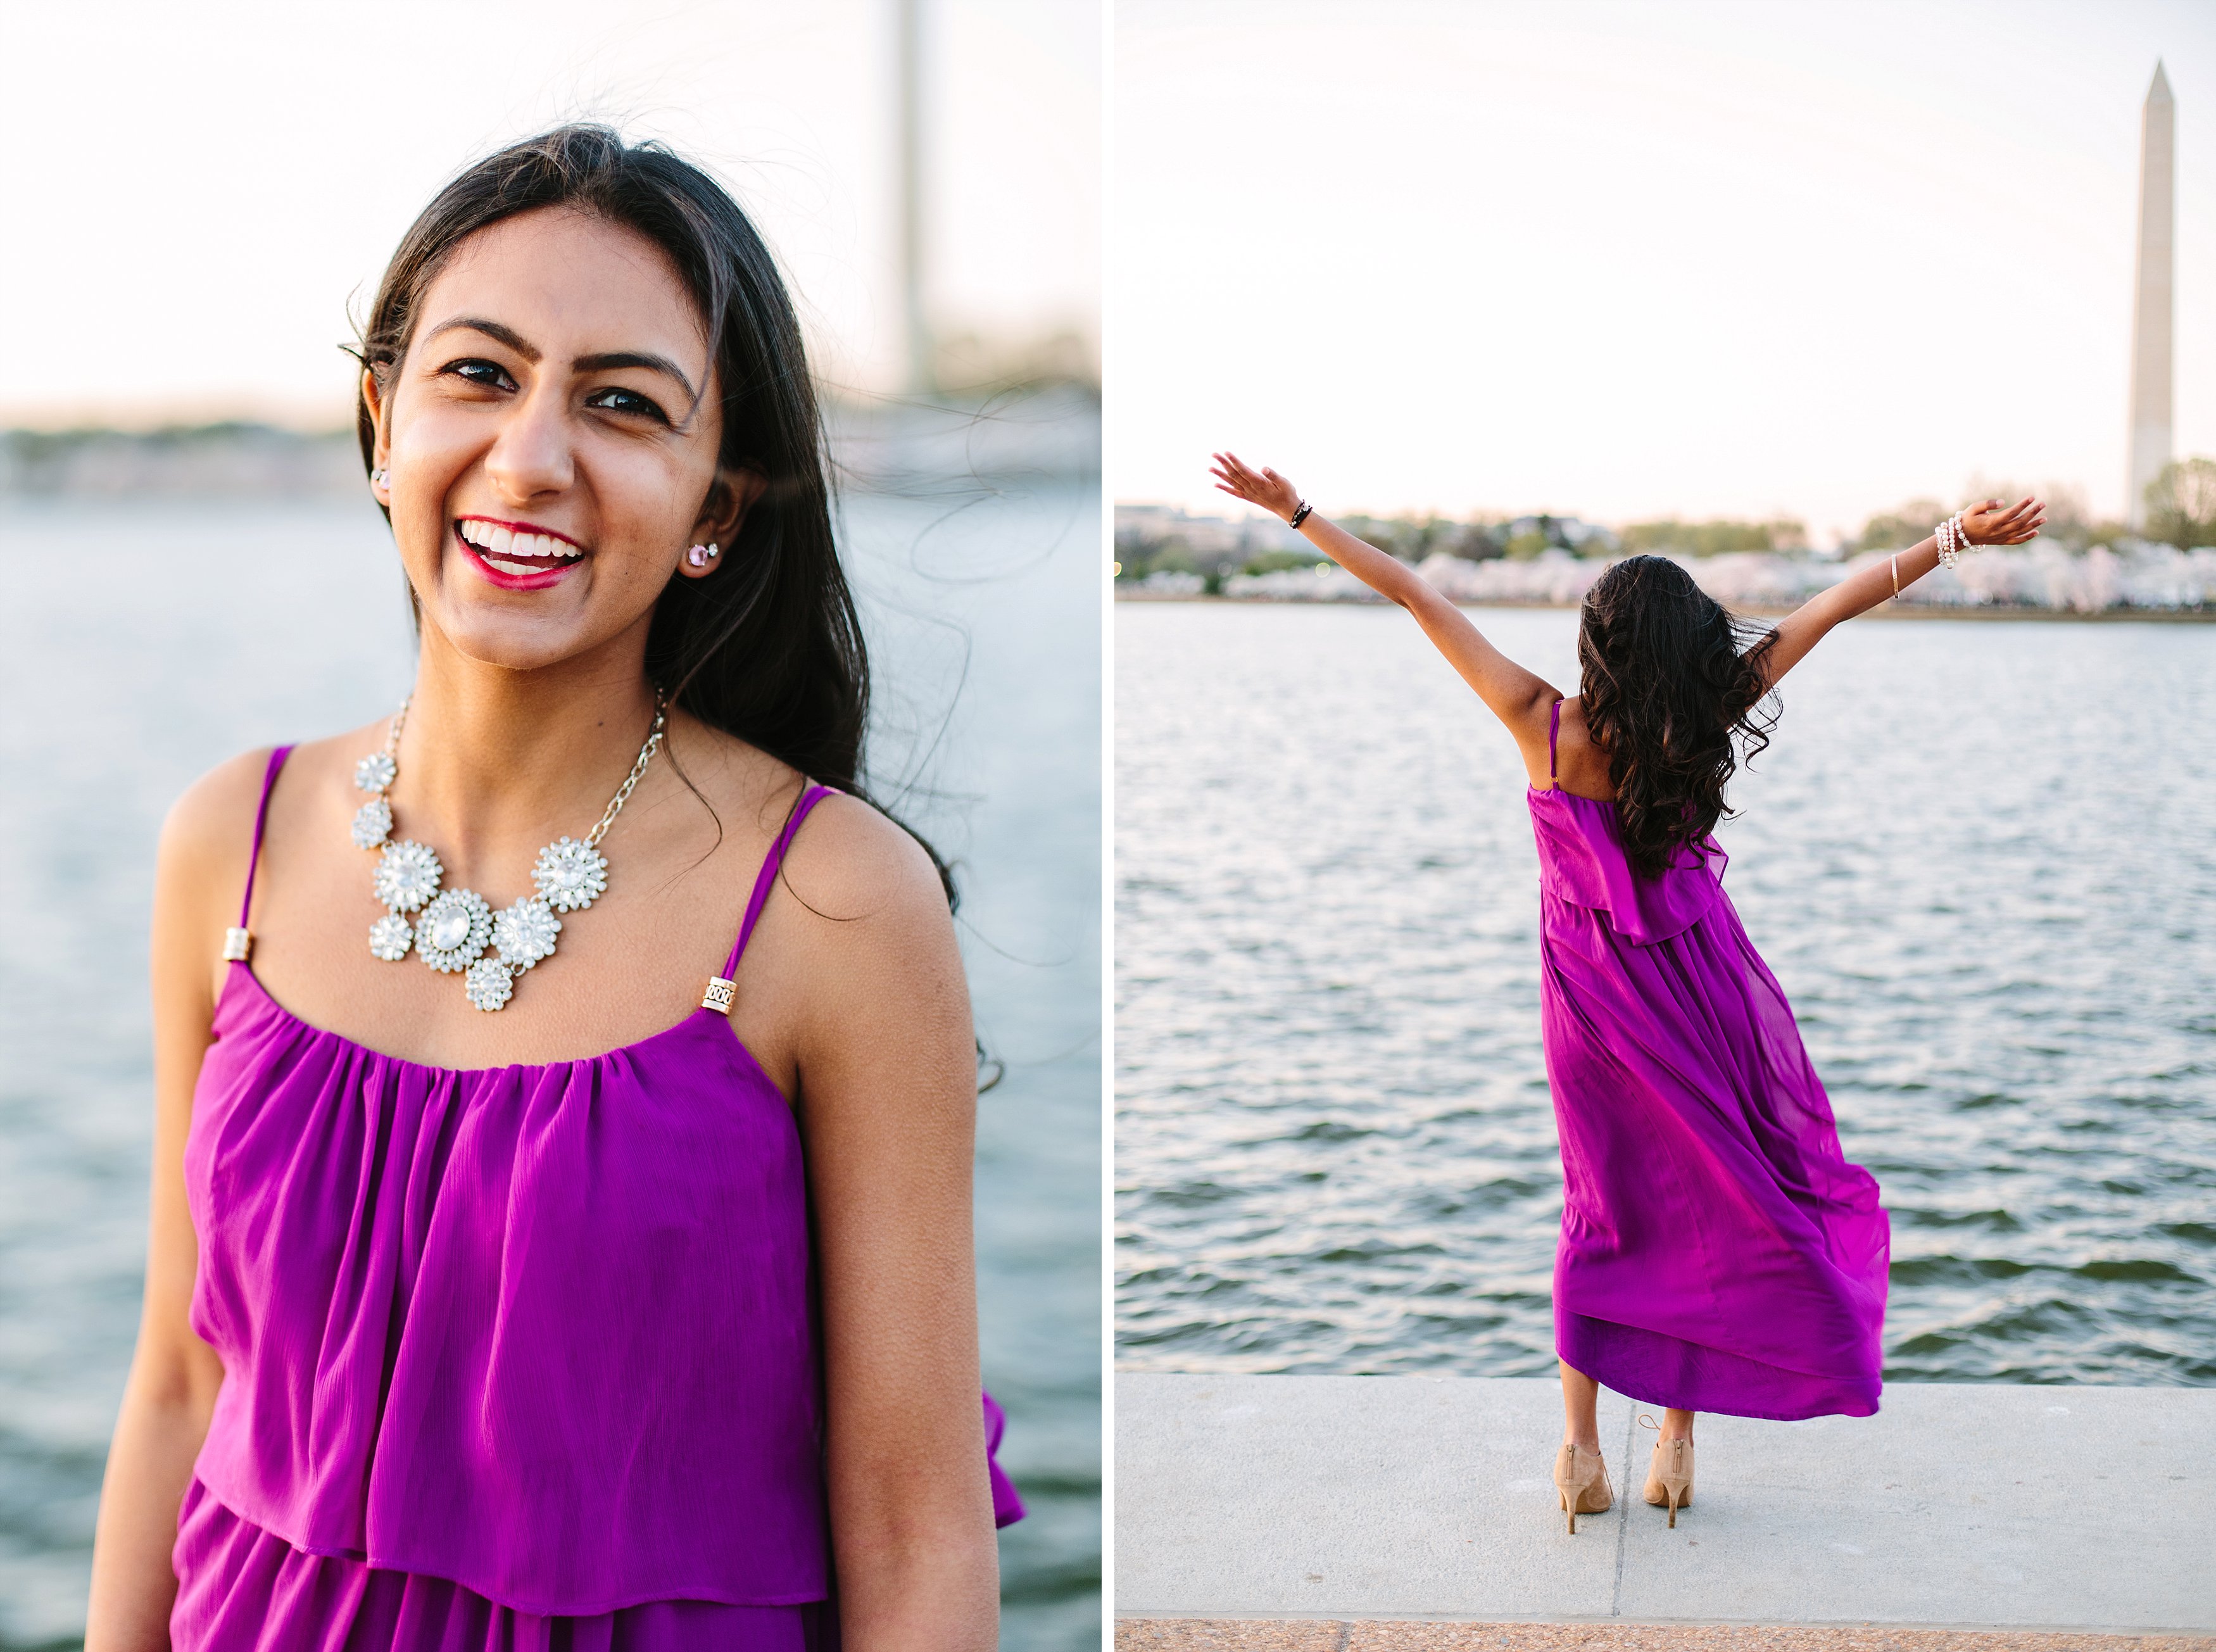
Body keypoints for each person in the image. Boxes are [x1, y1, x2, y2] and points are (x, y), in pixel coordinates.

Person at [87, 126, 1021, 1651]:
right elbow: (182, 1378)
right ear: (381, 418)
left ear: (718, 502)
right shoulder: (228, 841)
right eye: (479, 374)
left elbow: (914, 1520)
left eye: (622, 405)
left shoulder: (836, 903)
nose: (530, 457)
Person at [1208, 451, 2043, 1534]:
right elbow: (1833, 604)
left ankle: (1580, 1452)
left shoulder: (1540, 723)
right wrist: (1956, 537)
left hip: (1592, 1012)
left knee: (1600, 1209)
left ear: (1598, 645)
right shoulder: (1710, 714)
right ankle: (1681, 1444)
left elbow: (1415, 588)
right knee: (1711, 1198)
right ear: (1692, 642)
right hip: (1703, 992)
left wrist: (1298, 511)